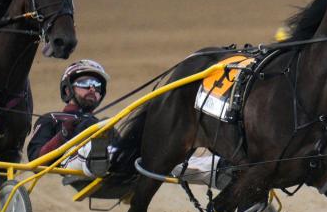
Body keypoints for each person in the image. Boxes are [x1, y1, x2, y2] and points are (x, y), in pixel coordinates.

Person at [28, 60, 228, 188]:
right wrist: (64, 133)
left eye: (97, 86)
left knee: (162, 159)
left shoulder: (99, 124)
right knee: (95, 139)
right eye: (85, 83)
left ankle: (218, 170)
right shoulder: (51, 119)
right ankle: (95, 156)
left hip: (116, 162)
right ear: (67, 89)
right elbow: (36, 160)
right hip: (73, 164)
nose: (92, 88)